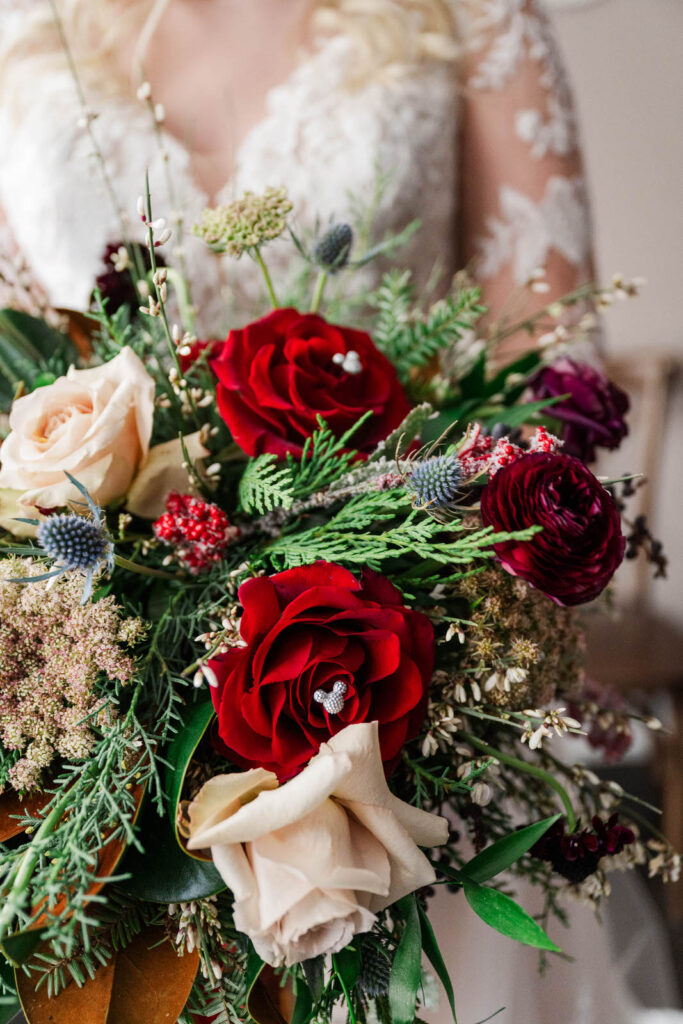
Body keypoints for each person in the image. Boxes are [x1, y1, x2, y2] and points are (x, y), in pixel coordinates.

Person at [3, 4, 677, 1024]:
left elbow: (551, 386)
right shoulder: (31, 37)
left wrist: (412, 610)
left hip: (394, 664)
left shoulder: (475, 23)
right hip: (97, 677)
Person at [0, 0, 593, 357]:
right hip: (85, 552)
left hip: (410, 535)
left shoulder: (471, 15)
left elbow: (542, 342)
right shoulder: (18, 30)